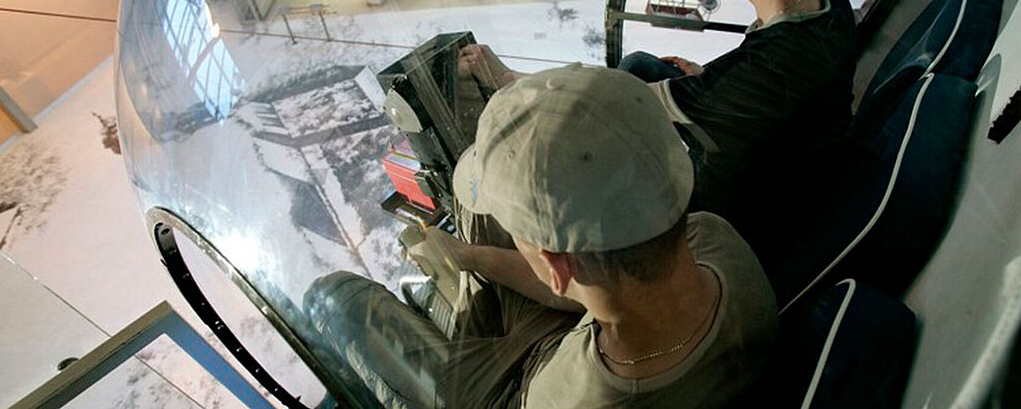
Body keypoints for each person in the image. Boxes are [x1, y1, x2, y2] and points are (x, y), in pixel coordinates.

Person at [305, 64, 777, 408]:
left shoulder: (574, 397)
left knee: (334, 298)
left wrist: (468, 258)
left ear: (557, 267)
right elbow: (588, 295)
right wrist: (469, 257)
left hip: (517, 387)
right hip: (623, 340)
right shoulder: (717, 240)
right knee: (474, 224)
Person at [459, 0, 859, 262]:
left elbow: (603, 100)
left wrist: (509, 79)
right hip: (778, 161)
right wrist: (710, 77)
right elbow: (772, 88)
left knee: (584, 145)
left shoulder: (773, 66)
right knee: (637, 66)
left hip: (721, 222)